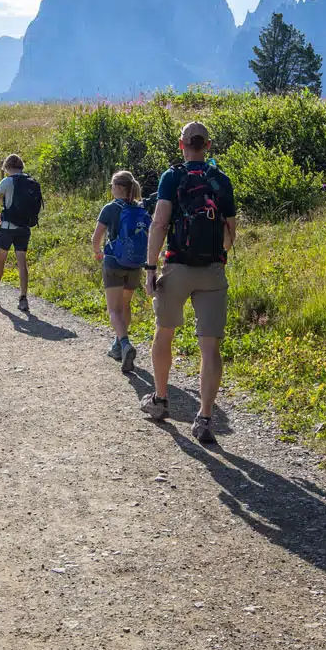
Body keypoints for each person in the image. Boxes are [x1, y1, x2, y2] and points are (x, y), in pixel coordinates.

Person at [140, 121, 237, 445]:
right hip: (212, 271)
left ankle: (160, 399)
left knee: (164, 332)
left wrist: (151, 268)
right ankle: (205, 417)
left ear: (181, 145)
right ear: (208, 146)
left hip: (177, 265)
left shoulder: (172, 177)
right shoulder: (221, 180)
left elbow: (159, 224)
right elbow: (230, 236)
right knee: (210, 347)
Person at [92, 169, 150, 375]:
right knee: (125, 305)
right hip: (135, 264)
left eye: (111, 186)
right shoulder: (141, 208)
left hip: (114, 263)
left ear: (117, 187)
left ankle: (125, 344)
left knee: (114, 309)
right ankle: (118, 345)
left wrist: (97, 252)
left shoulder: (110, 208)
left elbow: (97, 237)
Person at [0, 153, 41, 314]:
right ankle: (23, 298)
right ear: (21, 166)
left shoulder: (6, 181)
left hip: (7, 227)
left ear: (7, 167)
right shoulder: (30, 181)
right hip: (24, 227)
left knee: (1, 259)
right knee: (22, 262)